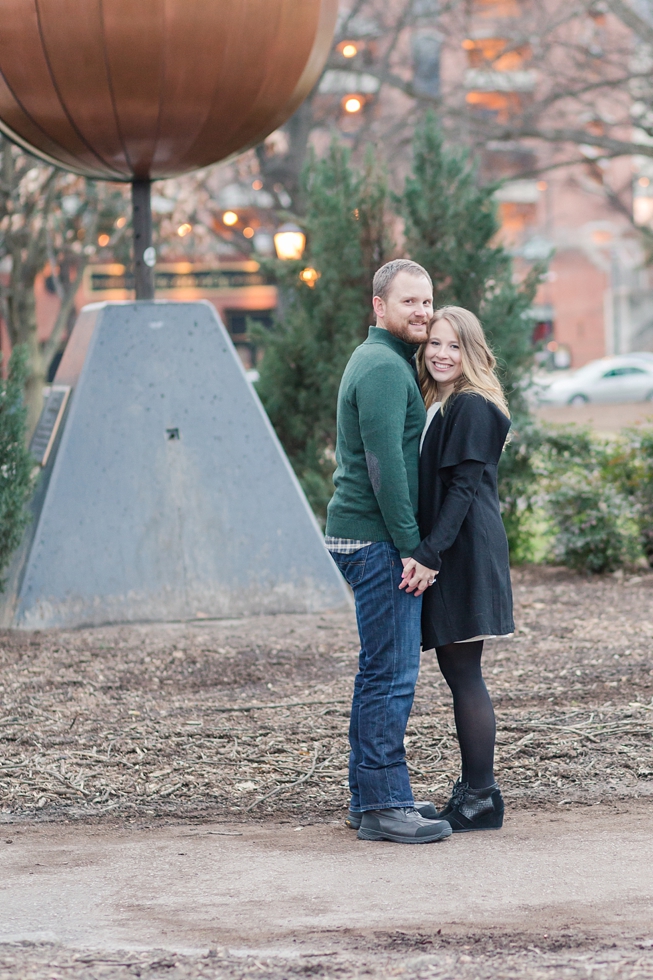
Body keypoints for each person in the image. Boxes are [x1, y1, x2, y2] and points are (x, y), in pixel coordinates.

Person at [325, 259, 452, 845]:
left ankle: (369, 796)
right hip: (377, 541)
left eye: (427, 302)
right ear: (380, 306)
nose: (422, 312)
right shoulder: (380, 366)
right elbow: (385, 468)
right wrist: (413, 547)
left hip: (371, 537)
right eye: (410, 303)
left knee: (380, 668)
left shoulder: (387, 361)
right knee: (393, 673)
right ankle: (382, 804)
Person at [400, 306, 514, 832]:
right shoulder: (441, 401)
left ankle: (480, 797)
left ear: (472, 352)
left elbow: (464, 490)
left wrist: (430, 554)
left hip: (464, 551)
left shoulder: (472, 405)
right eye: (435, 345)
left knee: (465, 673)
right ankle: (475, 792)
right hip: (456, 547)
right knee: (459, 672)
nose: (442, 355)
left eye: (454, 346)